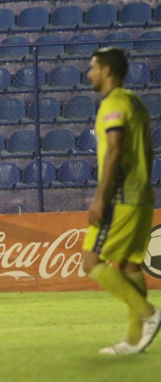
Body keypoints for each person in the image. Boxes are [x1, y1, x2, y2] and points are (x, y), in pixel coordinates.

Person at [82, 47, 161, 355]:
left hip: (121, 198)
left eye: (93, 68)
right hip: (142, 195)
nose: (90, 73)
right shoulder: (136, 104)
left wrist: (100, 198)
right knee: (129, 266)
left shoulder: (113, 104)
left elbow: (114, 150)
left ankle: (149, 313)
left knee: (90, 261)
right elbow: (150, 151)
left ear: (107, 71)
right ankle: (132, 340)